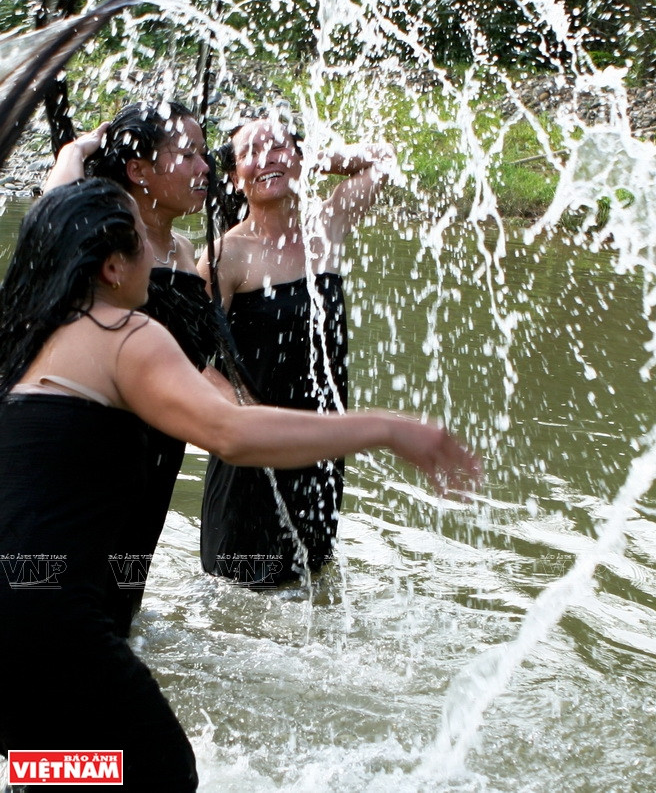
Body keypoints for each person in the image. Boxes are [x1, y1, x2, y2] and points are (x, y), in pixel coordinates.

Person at [0, 179, 479, 790]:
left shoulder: (24, 336)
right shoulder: (121, 333)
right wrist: (386, 429)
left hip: (18, 604)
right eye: (142, 241)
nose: (158, 252)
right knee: (159, 773)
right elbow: (231, 435)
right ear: (113, 266)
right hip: (45, 614)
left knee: (54, 772)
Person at [43, 101, 239, 636]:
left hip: (156, 455)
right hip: (97, 449)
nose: (206, 168)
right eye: (188, 155)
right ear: (138, 170)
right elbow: (54, 215)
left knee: (120, 610)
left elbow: (189, 360)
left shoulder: (181, 250)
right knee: (76, 608)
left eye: (204, 154)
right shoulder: (108, 242)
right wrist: (76, 150)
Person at [197, 108, 394, 587]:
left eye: (278, 146)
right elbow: (193, 359)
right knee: (240, 591)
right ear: (234, 177)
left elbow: (384, 160)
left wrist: (313, 160)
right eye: (250, 153)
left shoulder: (326, 227)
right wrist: (244, 415)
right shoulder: (225, 256)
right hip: (254, 446)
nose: (265, 159)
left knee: (309, 578)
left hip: (322, 443)